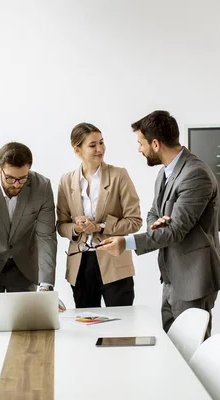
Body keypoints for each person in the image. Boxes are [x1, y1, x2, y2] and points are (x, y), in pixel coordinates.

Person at [99, 110, 220, 339]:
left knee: (192, 353)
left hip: (193, 279)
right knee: (174, 351)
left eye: (141, 143)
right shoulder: (164, 173)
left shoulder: (195, 174)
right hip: (171, 278)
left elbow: (176, 230)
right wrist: (155, 225)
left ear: (155, 144)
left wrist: (126, 243)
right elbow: (152, 213)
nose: (140, 149)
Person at [0, 142, 59, 317]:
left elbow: (46, 237)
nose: (17, 184)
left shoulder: (42, 187)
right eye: (10, 178)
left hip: (25, 268)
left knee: (27, 326)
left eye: (23, 178)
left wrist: (46, 286)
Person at [57, 123, 142, 308]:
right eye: (92, 145)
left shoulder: (119, 175)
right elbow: (61, 225)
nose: (100, 149)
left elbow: (134, 221)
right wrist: (77, 228)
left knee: (121, 325)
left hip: (115, 262)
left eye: (102, 143)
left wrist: (100, 226)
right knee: (86, 327)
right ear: (77, 149)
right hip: (80, 265)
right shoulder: (66, 181)